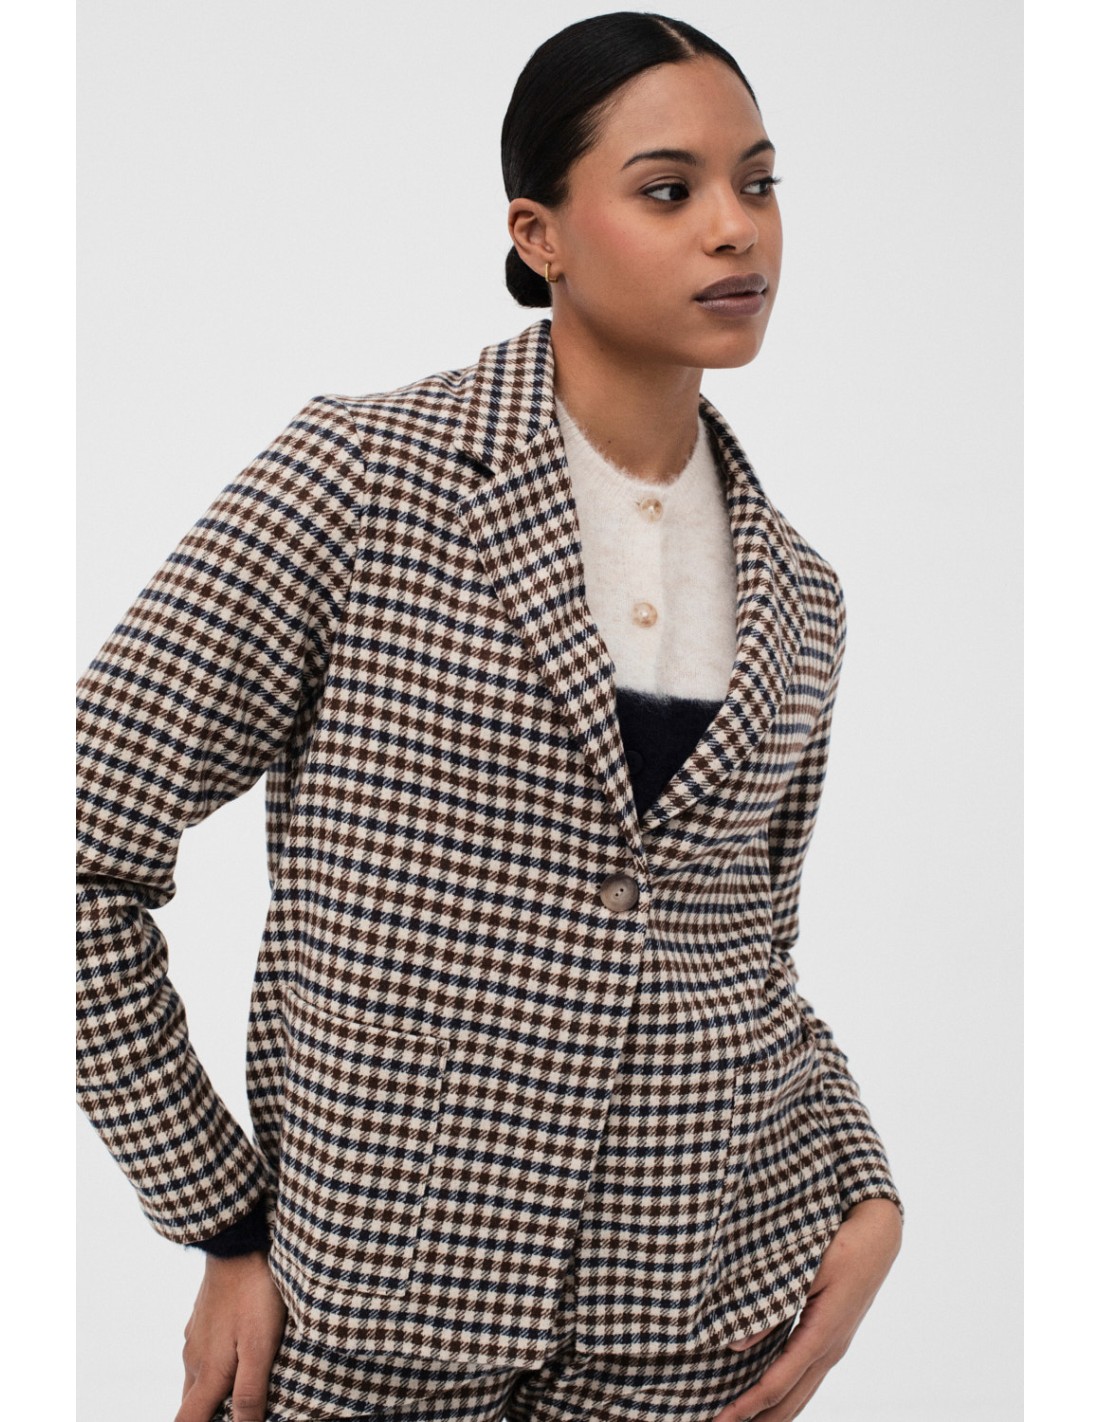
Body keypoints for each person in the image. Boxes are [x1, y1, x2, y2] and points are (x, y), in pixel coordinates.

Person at [76, 12, 905, 1422]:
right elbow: (72, 849)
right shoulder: (364, 483)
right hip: (370, 1330)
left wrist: (864, 1192)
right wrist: (220, 1215)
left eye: (759, 183)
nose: (736, 228)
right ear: (540, 234)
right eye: (669, 189)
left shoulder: (800, 591)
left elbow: (747, 956)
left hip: (692, 1337)